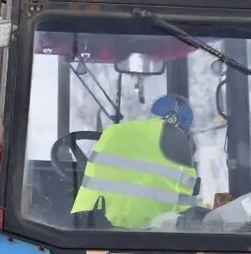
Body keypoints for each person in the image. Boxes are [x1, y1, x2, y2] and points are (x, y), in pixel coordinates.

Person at [71, 93, 200, 230]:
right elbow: (186, 204)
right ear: (183, 126)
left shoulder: (112, 132)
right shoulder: (178, 141)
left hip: (83, 227)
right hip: (146, 234)